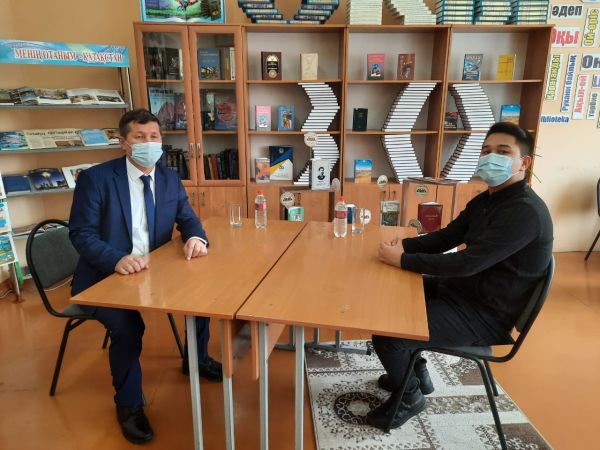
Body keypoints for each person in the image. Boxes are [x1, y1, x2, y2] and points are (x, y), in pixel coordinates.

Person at [367, 122, 553, 430]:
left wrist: (403, 260)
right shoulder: (487, 199)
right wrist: (403, 246)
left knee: (389, 334)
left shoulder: (525, 212)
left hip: (485, 314)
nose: (491, 157)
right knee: (390, 298)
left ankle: (410, 397)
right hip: (463, 292)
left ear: (524, 162)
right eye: (486, 151)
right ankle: (415, 372)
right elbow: (446, 237)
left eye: (502, 151)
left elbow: (466, 264)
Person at [69, 109, 222, 445]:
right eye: (139, 137)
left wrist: (196, 238)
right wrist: (116, 259)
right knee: (129, 328)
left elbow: (188, 219)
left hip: (156, 270)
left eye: (154, 137)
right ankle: (128, 405)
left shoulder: (169, 178)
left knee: (202, 298)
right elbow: (81, 234)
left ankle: (196, 360)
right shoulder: (96, 179)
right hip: (104, 277)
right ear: (123, 143)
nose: (148, 143)